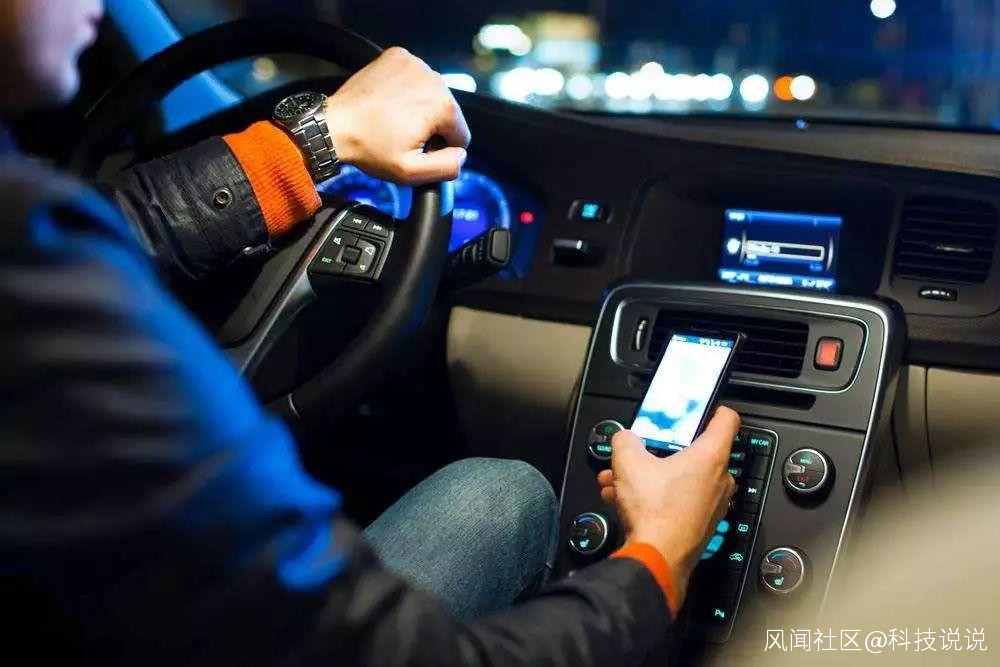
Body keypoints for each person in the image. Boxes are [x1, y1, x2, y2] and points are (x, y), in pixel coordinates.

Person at [0, 1, 739, 664]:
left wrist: (312, 143)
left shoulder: (32, 233)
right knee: (505, 491)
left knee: (494, 491)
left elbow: (116, 220)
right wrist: (658, 560)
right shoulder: (40, 276)